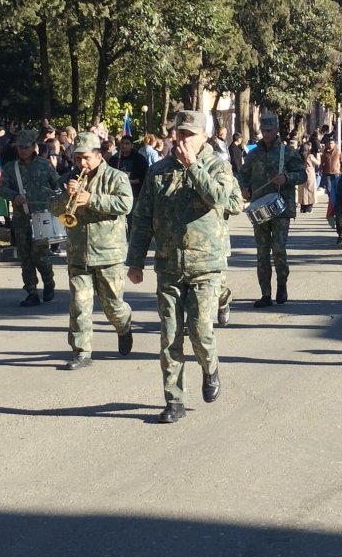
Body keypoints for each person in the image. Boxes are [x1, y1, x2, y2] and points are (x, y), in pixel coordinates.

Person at [127, 110, 242, 424]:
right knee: (170, 336)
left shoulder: (219, 166)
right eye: (179, 134)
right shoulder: (158, 171)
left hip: (206, 265)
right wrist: (135, 261)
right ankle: (173, 400)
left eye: (190, 134)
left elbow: (226, 201)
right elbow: (143, 218)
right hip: (169, 265)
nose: (183, 140)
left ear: (203, 136)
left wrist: (194, 168)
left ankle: (210, 368)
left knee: (201, 330)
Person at [50, 133, 134, 368]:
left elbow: (125, 204)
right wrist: (67, 195)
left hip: (109, 254)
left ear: (99, 156)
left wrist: (91, 199)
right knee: (79, 305)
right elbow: (53, 206)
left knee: (113, 306)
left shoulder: (116, 177)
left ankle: (124, 324)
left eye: (86, 158)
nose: (81, 164)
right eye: (77, 159)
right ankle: (81, 352)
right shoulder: (68, 178)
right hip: (78, 252)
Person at [237, 114, 307, 306]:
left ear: (276, 130)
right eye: (264, 131)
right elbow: (241, 174)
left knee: (278, 250)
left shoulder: (288, 152)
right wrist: (244, 188)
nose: (266, 134)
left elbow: (302, 175)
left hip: (281, 208)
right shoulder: (254, 154)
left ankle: (282, 286)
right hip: (260, 207)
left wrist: (287, 178)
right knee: (262, 253)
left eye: (269, 130)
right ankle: (265, 294)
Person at [3, 129, 61, 307]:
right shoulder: (11, 167)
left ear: (34, 147)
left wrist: (56, 201)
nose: (23, 150)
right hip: (21, 218)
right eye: (20, 147)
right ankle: (31, 291)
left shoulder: (44, 165)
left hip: (41, 216)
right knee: (25, 256)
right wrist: (13, 196)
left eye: (26, 147)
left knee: (40, 255)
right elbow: (1, 187)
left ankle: (48, 281)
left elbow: (57, 185)